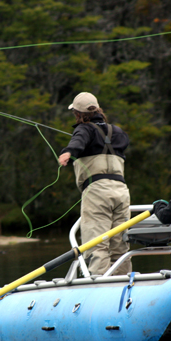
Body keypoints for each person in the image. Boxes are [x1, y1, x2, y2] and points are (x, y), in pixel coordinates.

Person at [59, 92, 132, 275]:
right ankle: (123, 284)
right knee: (120, 245)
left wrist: (68, 152)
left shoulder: (84, 129)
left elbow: (78, 141)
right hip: (121, 192)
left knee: (96, 244)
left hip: (98, 193)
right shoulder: (118, 132)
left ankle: (98, 285)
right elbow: (123, 143)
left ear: (77, 113)